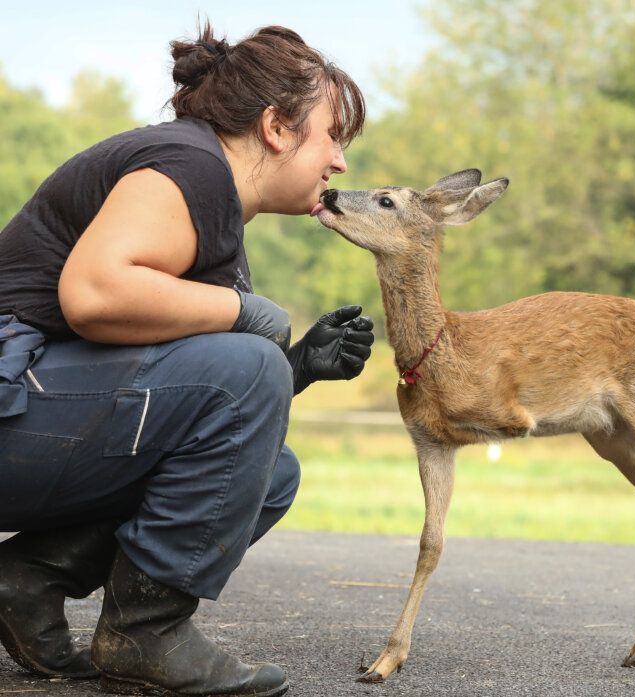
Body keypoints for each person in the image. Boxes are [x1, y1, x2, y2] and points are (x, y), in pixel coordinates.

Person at [0, 23, 373, 697]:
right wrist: (253, 322)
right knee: (250, 367)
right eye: (331, 135)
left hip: (29, 410)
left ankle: (26, 580)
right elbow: (92, 292)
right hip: (11, 395)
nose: (340, 161)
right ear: (275, 128)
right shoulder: (191, 164)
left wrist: (297, 369)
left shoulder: (215, 210)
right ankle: (146, 633)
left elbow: (196, 414)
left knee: (268, 472)